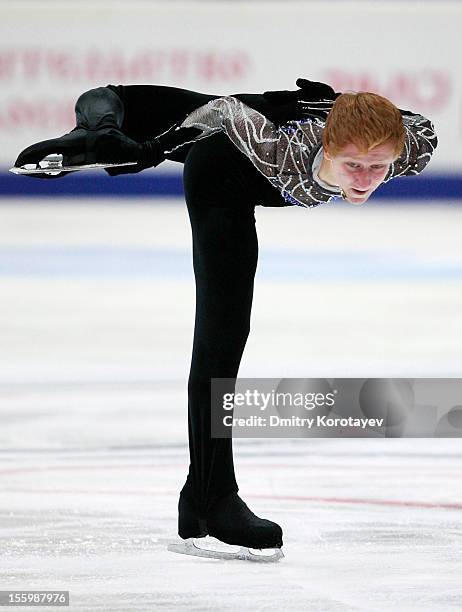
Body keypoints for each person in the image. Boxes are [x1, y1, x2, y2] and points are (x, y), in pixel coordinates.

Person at [14, 80, 438, 561]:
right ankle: (211, 498)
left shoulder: (410, 147)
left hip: (270, 123)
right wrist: (153, 151)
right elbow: (221, 113)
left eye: (377, 167)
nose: (364, 179)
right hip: (223, 176)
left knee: (127, 104)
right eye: (352, 166)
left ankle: (100, 132)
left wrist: (340, 101)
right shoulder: (284, 150)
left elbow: (421, 126)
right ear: (327, 147)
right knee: (222, 339)